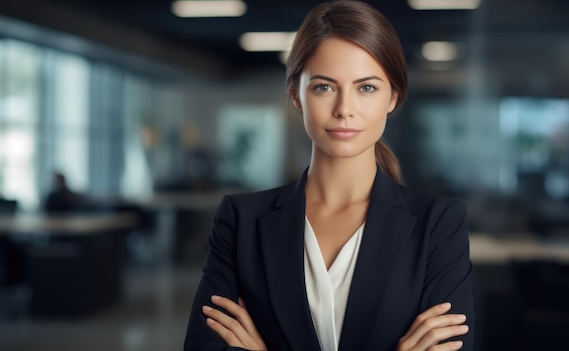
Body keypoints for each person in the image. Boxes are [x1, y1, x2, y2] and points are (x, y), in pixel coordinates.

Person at [184, 1, 474, 350]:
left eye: (366, 88)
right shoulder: (241, 219)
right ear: (296, 96)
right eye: (324, 87)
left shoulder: (438, 225)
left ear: (393, 97)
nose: (344, 110)